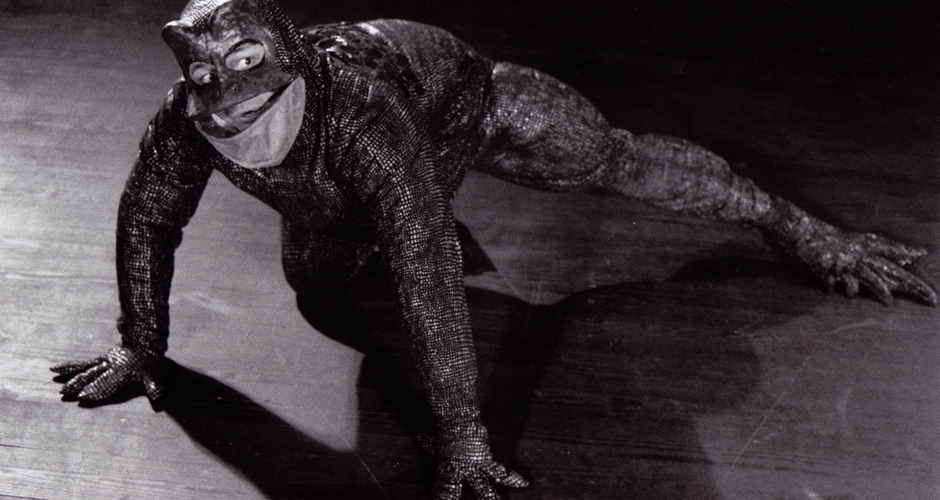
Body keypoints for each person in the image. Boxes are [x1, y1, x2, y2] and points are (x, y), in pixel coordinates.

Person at [50, 1, 937, 498]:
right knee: (316, 282)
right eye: (204, 75)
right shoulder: (187, 125)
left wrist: (465, 439)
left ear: (283, 56)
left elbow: (427, 272)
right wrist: (141, 347)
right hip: (357, 180)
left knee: (604, 157)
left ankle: (797, 226)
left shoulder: (361, 114)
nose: (221, 93)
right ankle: (375, 213)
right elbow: (147, 217)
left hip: (467, 102)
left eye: (243, 62)